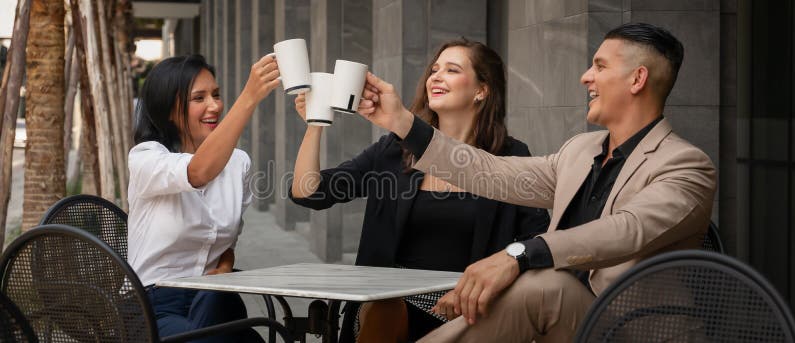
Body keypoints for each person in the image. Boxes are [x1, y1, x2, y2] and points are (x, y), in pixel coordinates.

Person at [356, 23, 717, 342]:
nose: (585, 76)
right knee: (526, 288)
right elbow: (492, 173)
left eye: (600, 66)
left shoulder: (686, 166)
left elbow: (627, 230)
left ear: (637, 79)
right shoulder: (580, 150)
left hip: (627, 330)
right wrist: (402, 123)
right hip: (557, 323)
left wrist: (518, 255)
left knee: (544, 285)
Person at [289, 38, 550, 342]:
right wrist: (315, 121)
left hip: (468, 309)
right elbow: (310, 192)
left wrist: (492, 284)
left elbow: (539, 238)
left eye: (452, 70)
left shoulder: (510, 156)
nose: (436, 76)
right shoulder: (393, 150)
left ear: (482, 89)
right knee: (389, 311)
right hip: (390, 305)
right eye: (434, 69)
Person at [128, 54, 279, 342]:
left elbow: (226, 243)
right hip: (154, 304)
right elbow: (198, 172)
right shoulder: (146, 158)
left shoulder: (238, 163)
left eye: (217, 95)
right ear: (170, 108)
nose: (215, 106)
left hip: (212, 299)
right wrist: (249, 97)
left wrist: (223, 270)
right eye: (199, 98)